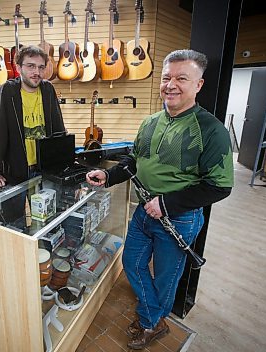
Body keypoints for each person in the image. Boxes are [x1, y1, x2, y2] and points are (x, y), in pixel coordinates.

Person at [86, 49, 234, 350]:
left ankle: (151, 322)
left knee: (167, 277)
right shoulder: (150, 121)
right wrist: (110, 176)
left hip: (179, 218)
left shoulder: (211, 130)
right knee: (132, 262)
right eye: (167, 78)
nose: (171, 85)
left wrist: (166, 204)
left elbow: (220, 187)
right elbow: (135, 160)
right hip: (144, 211)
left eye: (182, 78)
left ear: (198, 85)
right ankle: (154, 318)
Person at [0, 45, 65, 187]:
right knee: (14, 209)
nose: (37, 72)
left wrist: (63, 161)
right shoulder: (8, 91)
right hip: (15, 168)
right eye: (31, 66)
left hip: (45, 167)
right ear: (18, 68)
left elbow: (58, 126)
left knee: (48, 208)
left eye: (41, 67)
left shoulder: (48, 89)